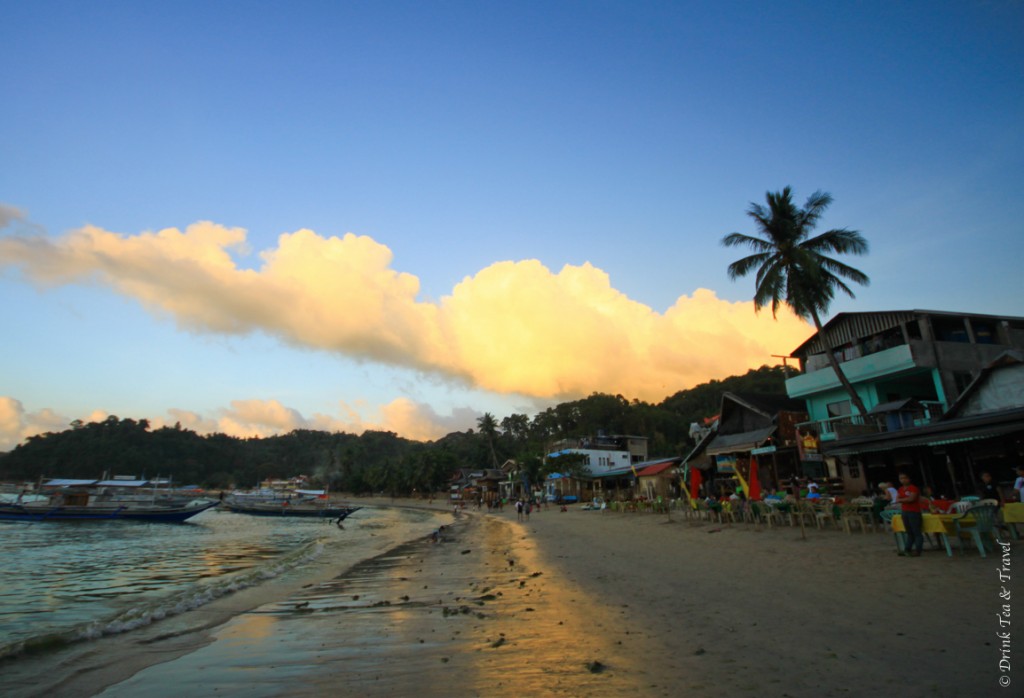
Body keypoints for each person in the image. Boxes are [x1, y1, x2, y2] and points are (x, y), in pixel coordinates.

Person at [895, 472, 925, 557]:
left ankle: (918, 550)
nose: (903, 480)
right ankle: (907, 549)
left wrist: (902, 499)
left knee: (916, 532)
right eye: (901, 478)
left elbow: (911, 499)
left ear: (909, 479)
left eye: (905, 478)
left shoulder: (913, 488)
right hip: (905, 511)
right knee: (909, 532)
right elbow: (897, 499)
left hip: (914, 511)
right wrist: (904, 499)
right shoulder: (900, 489)